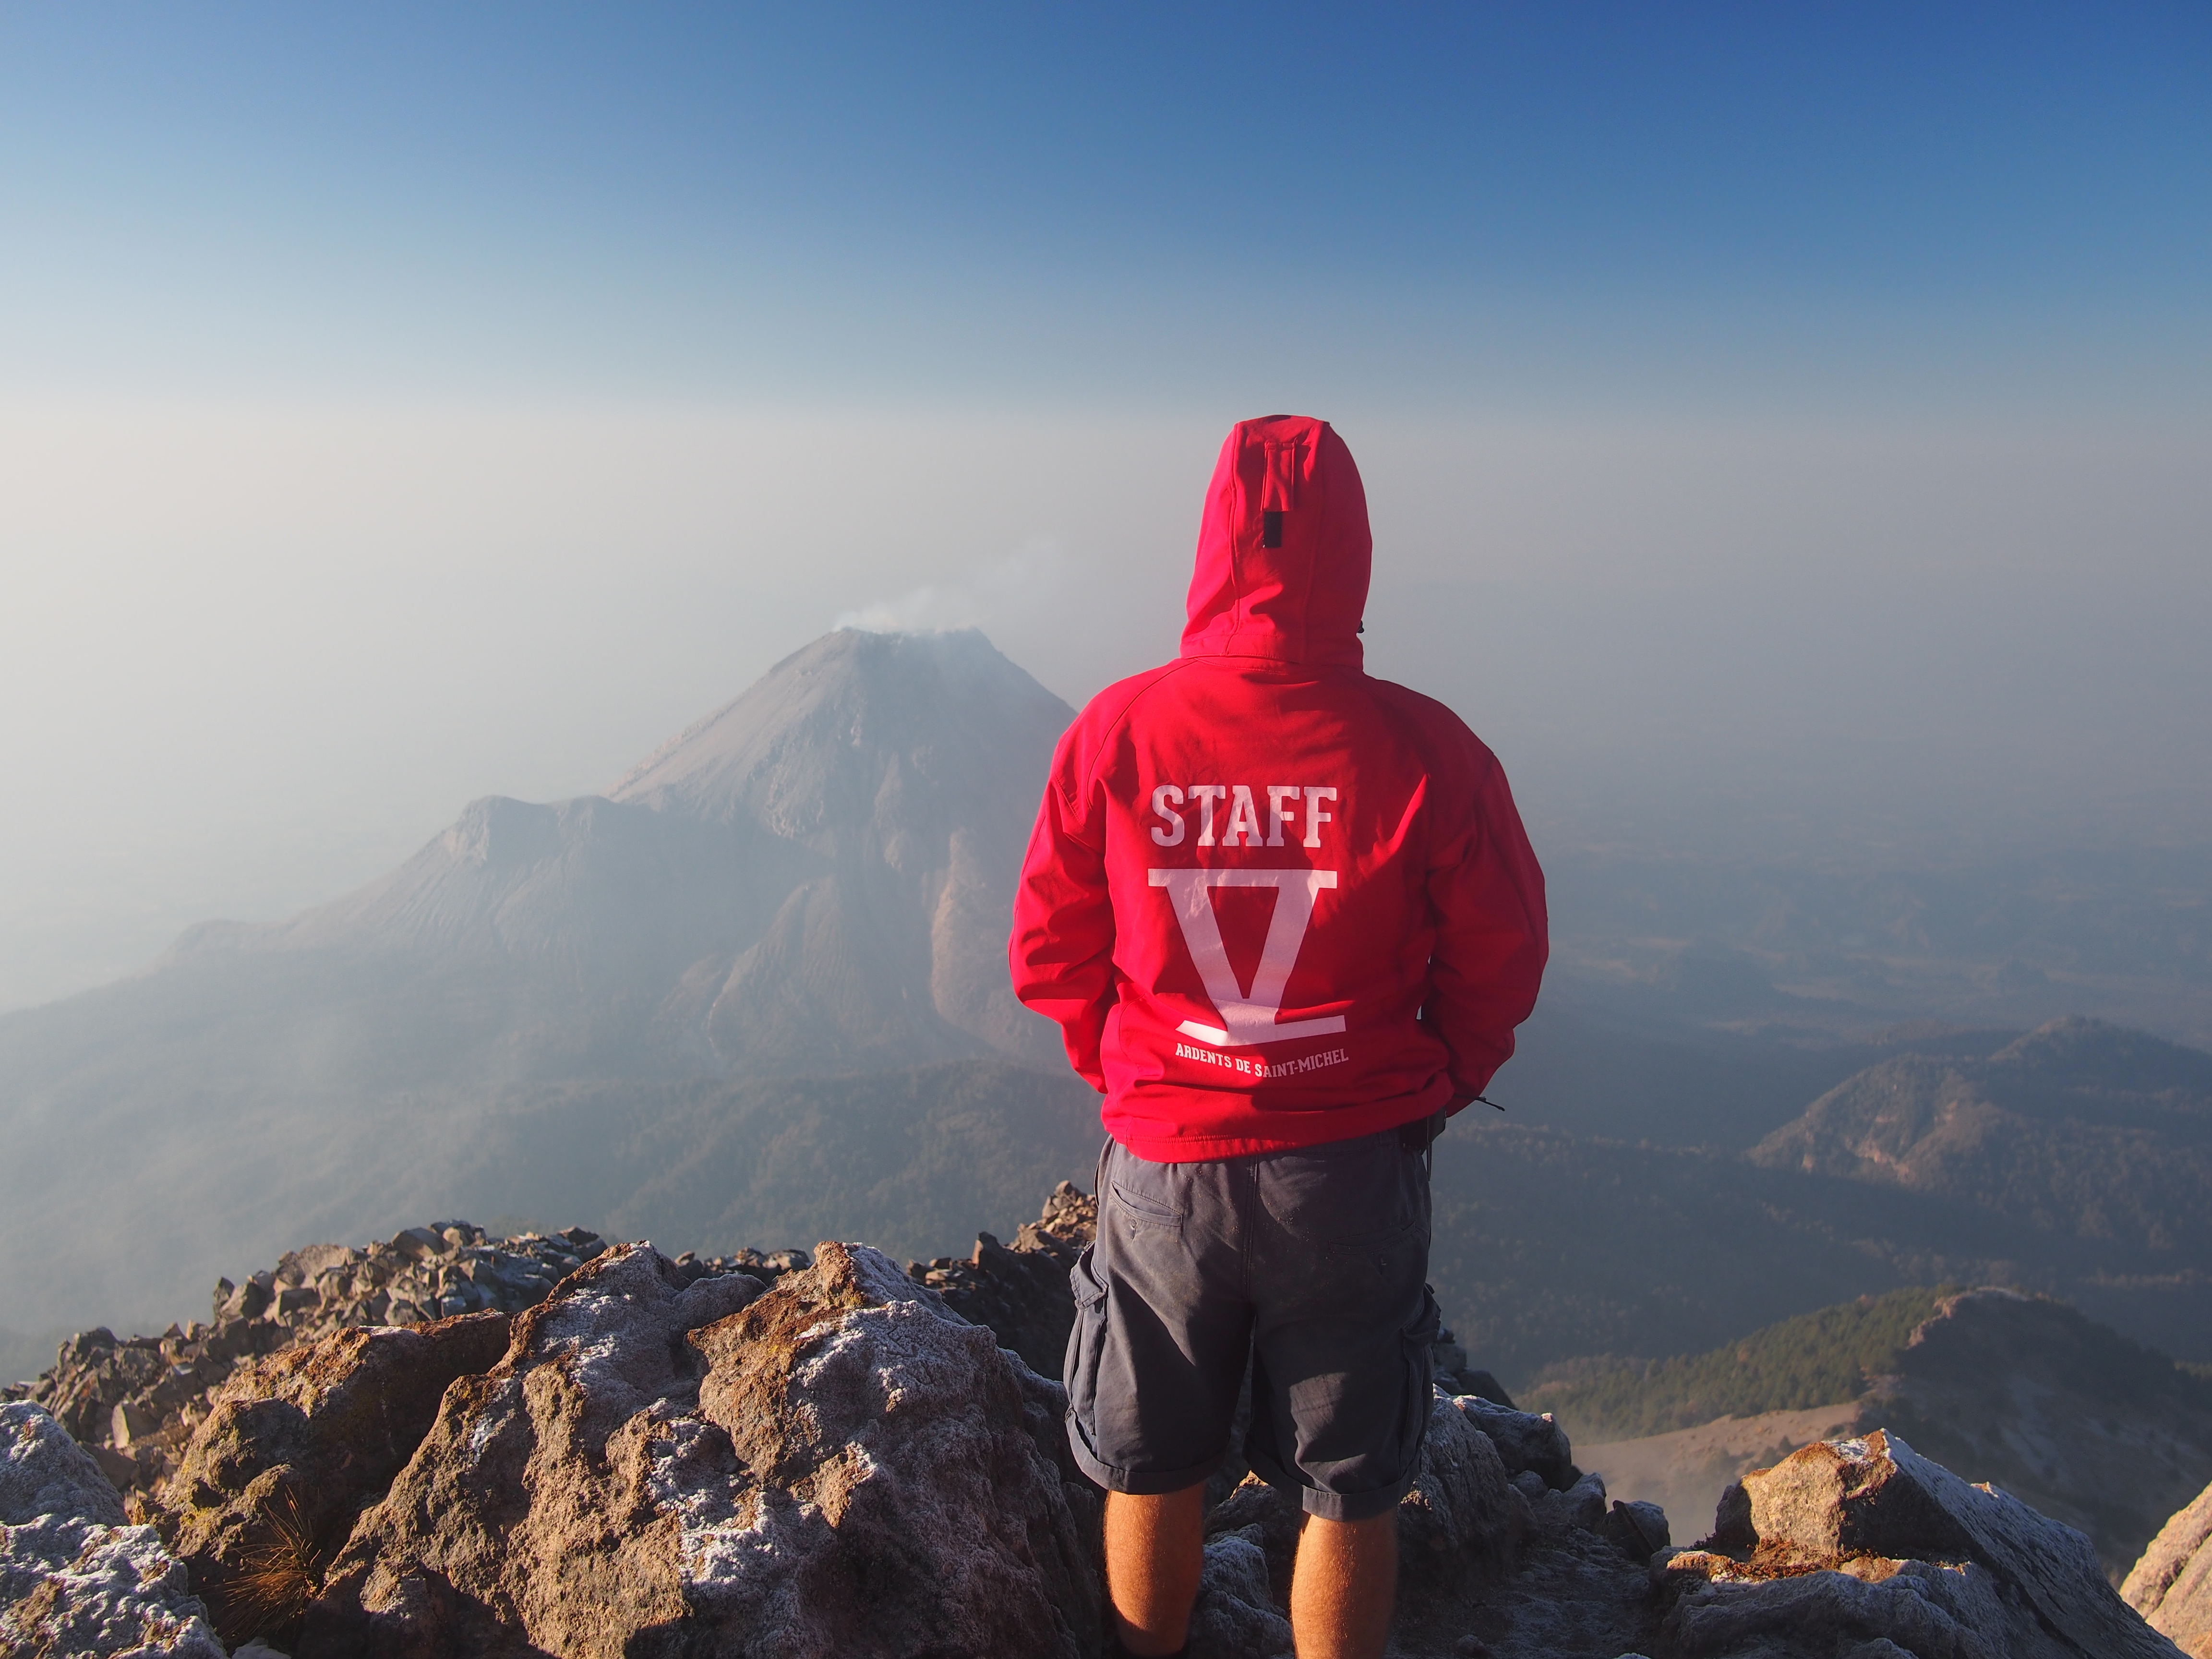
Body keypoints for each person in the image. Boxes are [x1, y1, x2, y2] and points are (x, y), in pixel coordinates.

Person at [1008, 415, 1548, 1658]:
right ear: (1354, 555)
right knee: (1349, 1485)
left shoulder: (1120, 731)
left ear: (1208, 548)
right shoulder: (1428, 748)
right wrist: (1443, 1077)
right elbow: (1503, 950)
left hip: (1164, 1169)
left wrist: (1136, 1075)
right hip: (1351, 1172)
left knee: (1150, 1465)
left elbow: (1049, 948)